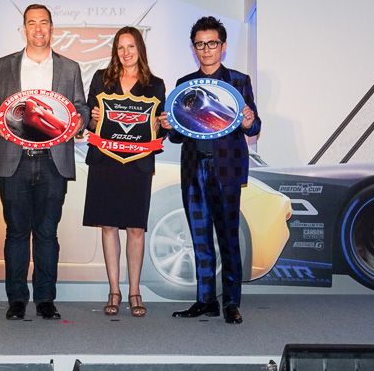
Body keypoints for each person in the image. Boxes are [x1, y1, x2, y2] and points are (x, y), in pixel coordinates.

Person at [0, 4, 89, 320]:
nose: (38, 29)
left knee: (46, 233)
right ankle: (16, 300)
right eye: (31, 23)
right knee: (16, 233)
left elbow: (80, 106)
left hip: (53, 162)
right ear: (24, 29)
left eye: (43, 23)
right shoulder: (4, 65)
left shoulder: (70, 68)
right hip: (15, 161)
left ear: (51, 28)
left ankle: (45, 299)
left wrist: (79, 122)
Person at [159, 16, 260, 324]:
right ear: (194, 48)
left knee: (229, 239)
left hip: (226, 169)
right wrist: (167, 126)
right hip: (193, 169)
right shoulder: (184, 84)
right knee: (199, 239)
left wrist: (249, 122)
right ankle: (206, 301)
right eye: (200, 44)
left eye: (212, 43)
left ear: (223, 46)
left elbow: (254, 125)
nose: (206, 49)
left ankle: (230, 303)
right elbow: (178, 136)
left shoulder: (239, 81)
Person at [82, 27, 165, 317]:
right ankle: (114, 291)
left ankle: (135, 291)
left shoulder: (155, 84)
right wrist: (93, 119)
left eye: (131, 46)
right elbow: (90, 123)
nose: (126, 52)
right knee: (108, 226)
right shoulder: (101, 79)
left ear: (140, 48)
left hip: (137, 164)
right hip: (105, 162)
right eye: (120, 47)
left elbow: (159, 128)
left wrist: (159, 126)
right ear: (115, 51)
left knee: (135, 228)